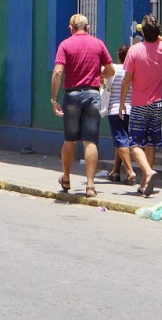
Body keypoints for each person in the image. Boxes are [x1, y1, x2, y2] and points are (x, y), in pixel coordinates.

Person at [50, 14, 114, 197]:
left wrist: (54, 99)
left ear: (71, 28)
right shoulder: (98, 44)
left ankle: (67, 178)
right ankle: (90, 186)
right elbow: (110, 70)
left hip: (72, 95)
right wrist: (99, 74)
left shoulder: (65, 45)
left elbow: (57, 72)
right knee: (90, 140)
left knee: (70, 139)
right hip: (93, 95)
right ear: (87, 28)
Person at [120, 14, 162, 198]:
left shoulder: (134, 51)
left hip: (140, 104)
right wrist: (154, 32)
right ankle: (144, 183)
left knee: (134, 143)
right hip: (158, 103)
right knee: (151, 142)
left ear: (143, 33)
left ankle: (148, 172)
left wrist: (121, 103)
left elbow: (127, 80)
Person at [105, 44, 133, 183]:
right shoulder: (134, 70)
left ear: (118, 56)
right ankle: (115, 171)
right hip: (131, 109)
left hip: (116, 110)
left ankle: (130, 171)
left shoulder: (114, 69)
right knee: (122, 140)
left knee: (121, 141)